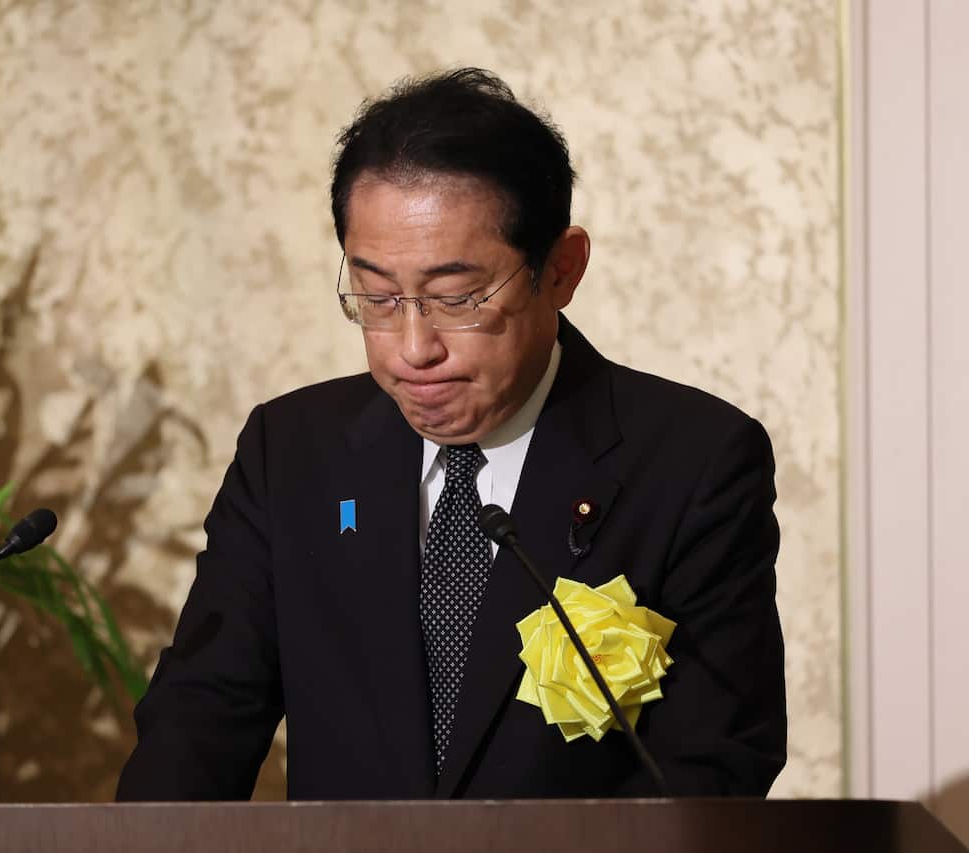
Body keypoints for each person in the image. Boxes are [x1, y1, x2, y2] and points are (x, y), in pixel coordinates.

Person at [116, 68, 786, 800]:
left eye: (456, 297)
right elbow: (197, 726)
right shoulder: (292, 453)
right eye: (376, 297)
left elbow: (711, 774)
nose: (412, 347)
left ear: (561, 270)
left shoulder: (694, 463)